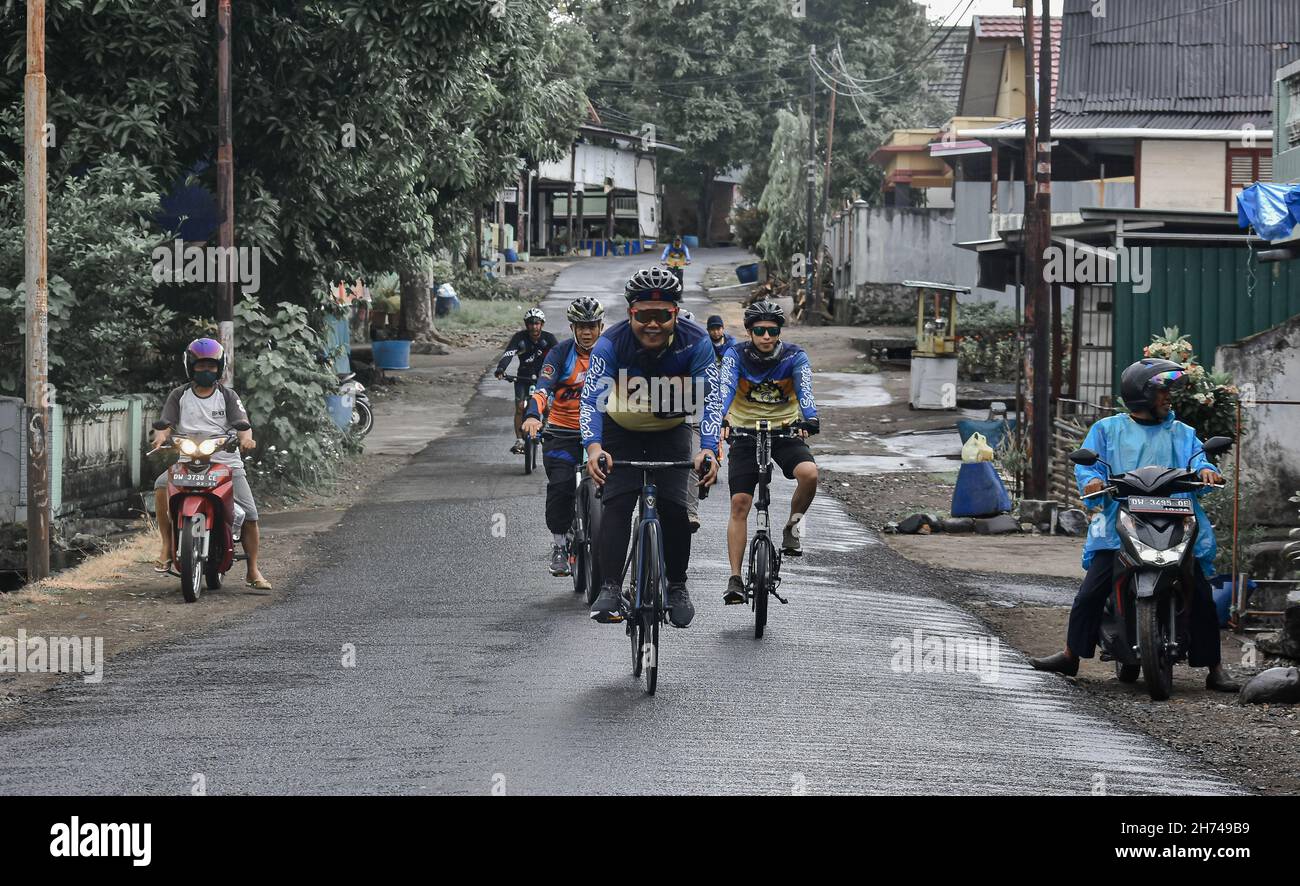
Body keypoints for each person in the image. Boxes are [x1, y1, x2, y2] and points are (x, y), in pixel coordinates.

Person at [1029, 358, 1239, 692]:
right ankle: (1071, 654)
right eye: (1162, 390)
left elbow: (1199, 458)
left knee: (1199, 591)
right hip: (1122, 520)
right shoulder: (1107, 430)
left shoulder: (1182, 433)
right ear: (1142, 394)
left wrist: (1206, 470)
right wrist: (1091, 482)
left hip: (1176, 517)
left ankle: (1215, 669)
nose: (1169, 396)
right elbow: (1089, 463)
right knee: (1090, 591)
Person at [581, 266, 720, 628]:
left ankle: (677, 586)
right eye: (644, 316)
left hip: (669, 430)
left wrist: (708, 449)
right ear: (630, 314)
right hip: (620, 429)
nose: (653, 325)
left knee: (675, 509)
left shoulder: (696, 342)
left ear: (675, 314)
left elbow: (712, 399)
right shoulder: (611, 343)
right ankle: (610, 587)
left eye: (663, 316)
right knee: (617, 502)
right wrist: (594, 446)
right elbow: (591, 399)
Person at [716, 300, 820, 604]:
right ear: (749, 331)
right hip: (745, 433)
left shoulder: (794, 356)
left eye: (772, 330)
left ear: (779, 331)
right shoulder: (735, 355)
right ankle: (735, 578)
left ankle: (791, 526)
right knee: (740, 503)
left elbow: (805, 390)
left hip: (784, 430)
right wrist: (721, 418)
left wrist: (810, 417)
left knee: (809, 474)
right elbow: (724, 389)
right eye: (759, 330)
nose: (766, 336)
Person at [152, 338, 270, 590]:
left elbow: (243, 425)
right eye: (201, 366)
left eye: (211, 366)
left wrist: (246, 439)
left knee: (250, 514)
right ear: (190, 366)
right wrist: (161, 436)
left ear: (220, 367)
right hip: (188, 460)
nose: (206, 371)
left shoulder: (228, 396)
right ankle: (166, 544)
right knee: (161, 485)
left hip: (225, 462)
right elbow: (165, 424)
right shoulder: (179, 395)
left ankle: (253, 570)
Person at [522, 297, 605, 577]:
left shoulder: (612, 354)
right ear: (572, 327)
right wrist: (533, 414)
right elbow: (543, 388)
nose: (586, 332)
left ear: (600, 326)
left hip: (602, 433)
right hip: (562, 431)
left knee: (618, 491)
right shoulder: (559, 354)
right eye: (581, 326)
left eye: (592, 326)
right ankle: (559, 544)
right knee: (561, 486)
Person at [494, 308, 558, 454]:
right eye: (530, 323)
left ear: (542, 324)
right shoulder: (519, 338)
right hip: (523, 378)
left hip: (543, 379)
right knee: (520, 408)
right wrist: (501, 369)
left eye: (537, 323)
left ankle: (547, 426)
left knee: (547, 406)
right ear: (526, 324)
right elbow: (508, 353)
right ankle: (520, 440)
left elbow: (559, 356)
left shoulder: (549, 339)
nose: (534, 326)